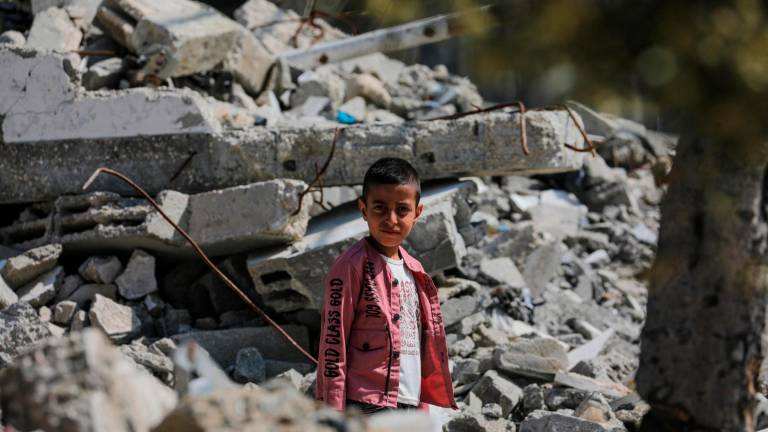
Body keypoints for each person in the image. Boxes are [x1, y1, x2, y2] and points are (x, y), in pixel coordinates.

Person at [315, 157, 457, 414]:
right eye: (379, 208)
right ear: (363, 209)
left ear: (417, 213)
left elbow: (423, 346)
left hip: (409, 401)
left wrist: (423, 406)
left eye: (402, 210)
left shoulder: (416, 271)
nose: (391, 219)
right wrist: (331, 411)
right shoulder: (350, 267)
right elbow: (333, 343)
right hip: (368, 403)